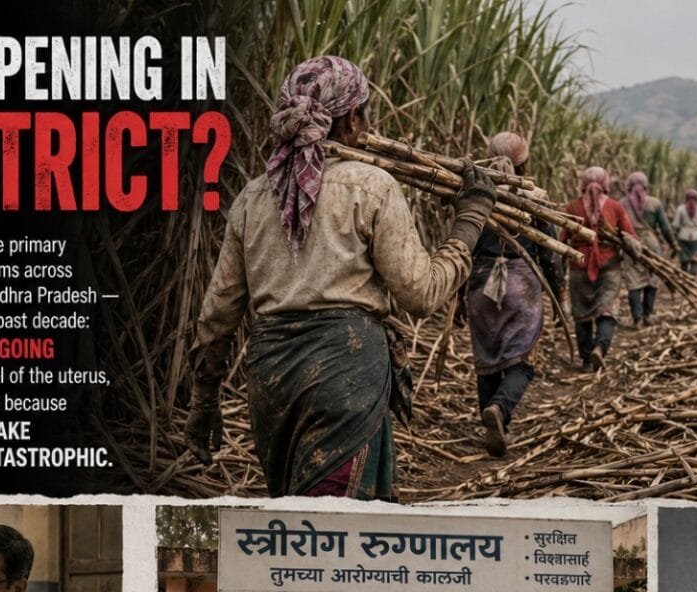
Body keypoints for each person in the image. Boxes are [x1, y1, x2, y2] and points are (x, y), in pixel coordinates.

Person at [184, 55, 497, 499]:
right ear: (351, 119)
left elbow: (217, 313)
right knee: (338, 530)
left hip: (272, 385)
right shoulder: (371, 186)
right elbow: (421, 293)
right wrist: (468, 225)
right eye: (365, 115)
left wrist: (203, 398)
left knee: (293, 514)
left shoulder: (253, 198)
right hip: (345, 380)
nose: (368, 128)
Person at [464, 131, 562, 457]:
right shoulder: (535, 197)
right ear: (524, 162)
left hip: (479, 281)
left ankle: (494, 422)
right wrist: (558, 294)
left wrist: (455, 296)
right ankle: (501, 409)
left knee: (487, 356)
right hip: (521, 285)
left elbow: (462, 244)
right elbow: (549, 252)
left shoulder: (475, 192)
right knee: (523, 359)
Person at [561, 166, 639, 372]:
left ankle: (586, 360)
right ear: (606, 183)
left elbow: (561, 241)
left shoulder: (572, 208)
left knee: (582, 313)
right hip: (610, 267)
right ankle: (600, 348)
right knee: (608, 310)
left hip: (578, 267)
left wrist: (559, 269)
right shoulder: (615, 207)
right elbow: (630, 237)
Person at [620, 171, 675, 327]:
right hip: (652, 245)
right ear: (646, 185)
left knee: (633, 282)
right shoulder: (655, 203)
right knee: (652, 281)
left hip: (631, 246)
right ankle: (647, 315)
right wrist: (673, 244)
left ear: (629, 186)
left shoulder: (622, 204)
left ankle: (637, 318)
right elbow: (665, 227)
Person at [671, 189, 697, 276]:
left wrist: (675, 235)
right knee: (695, 259)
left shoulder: (680, 209)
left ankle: (685, 278)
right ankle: (693, 276)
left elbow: (675, 225)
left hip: (683, 236)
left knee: (684, 260)